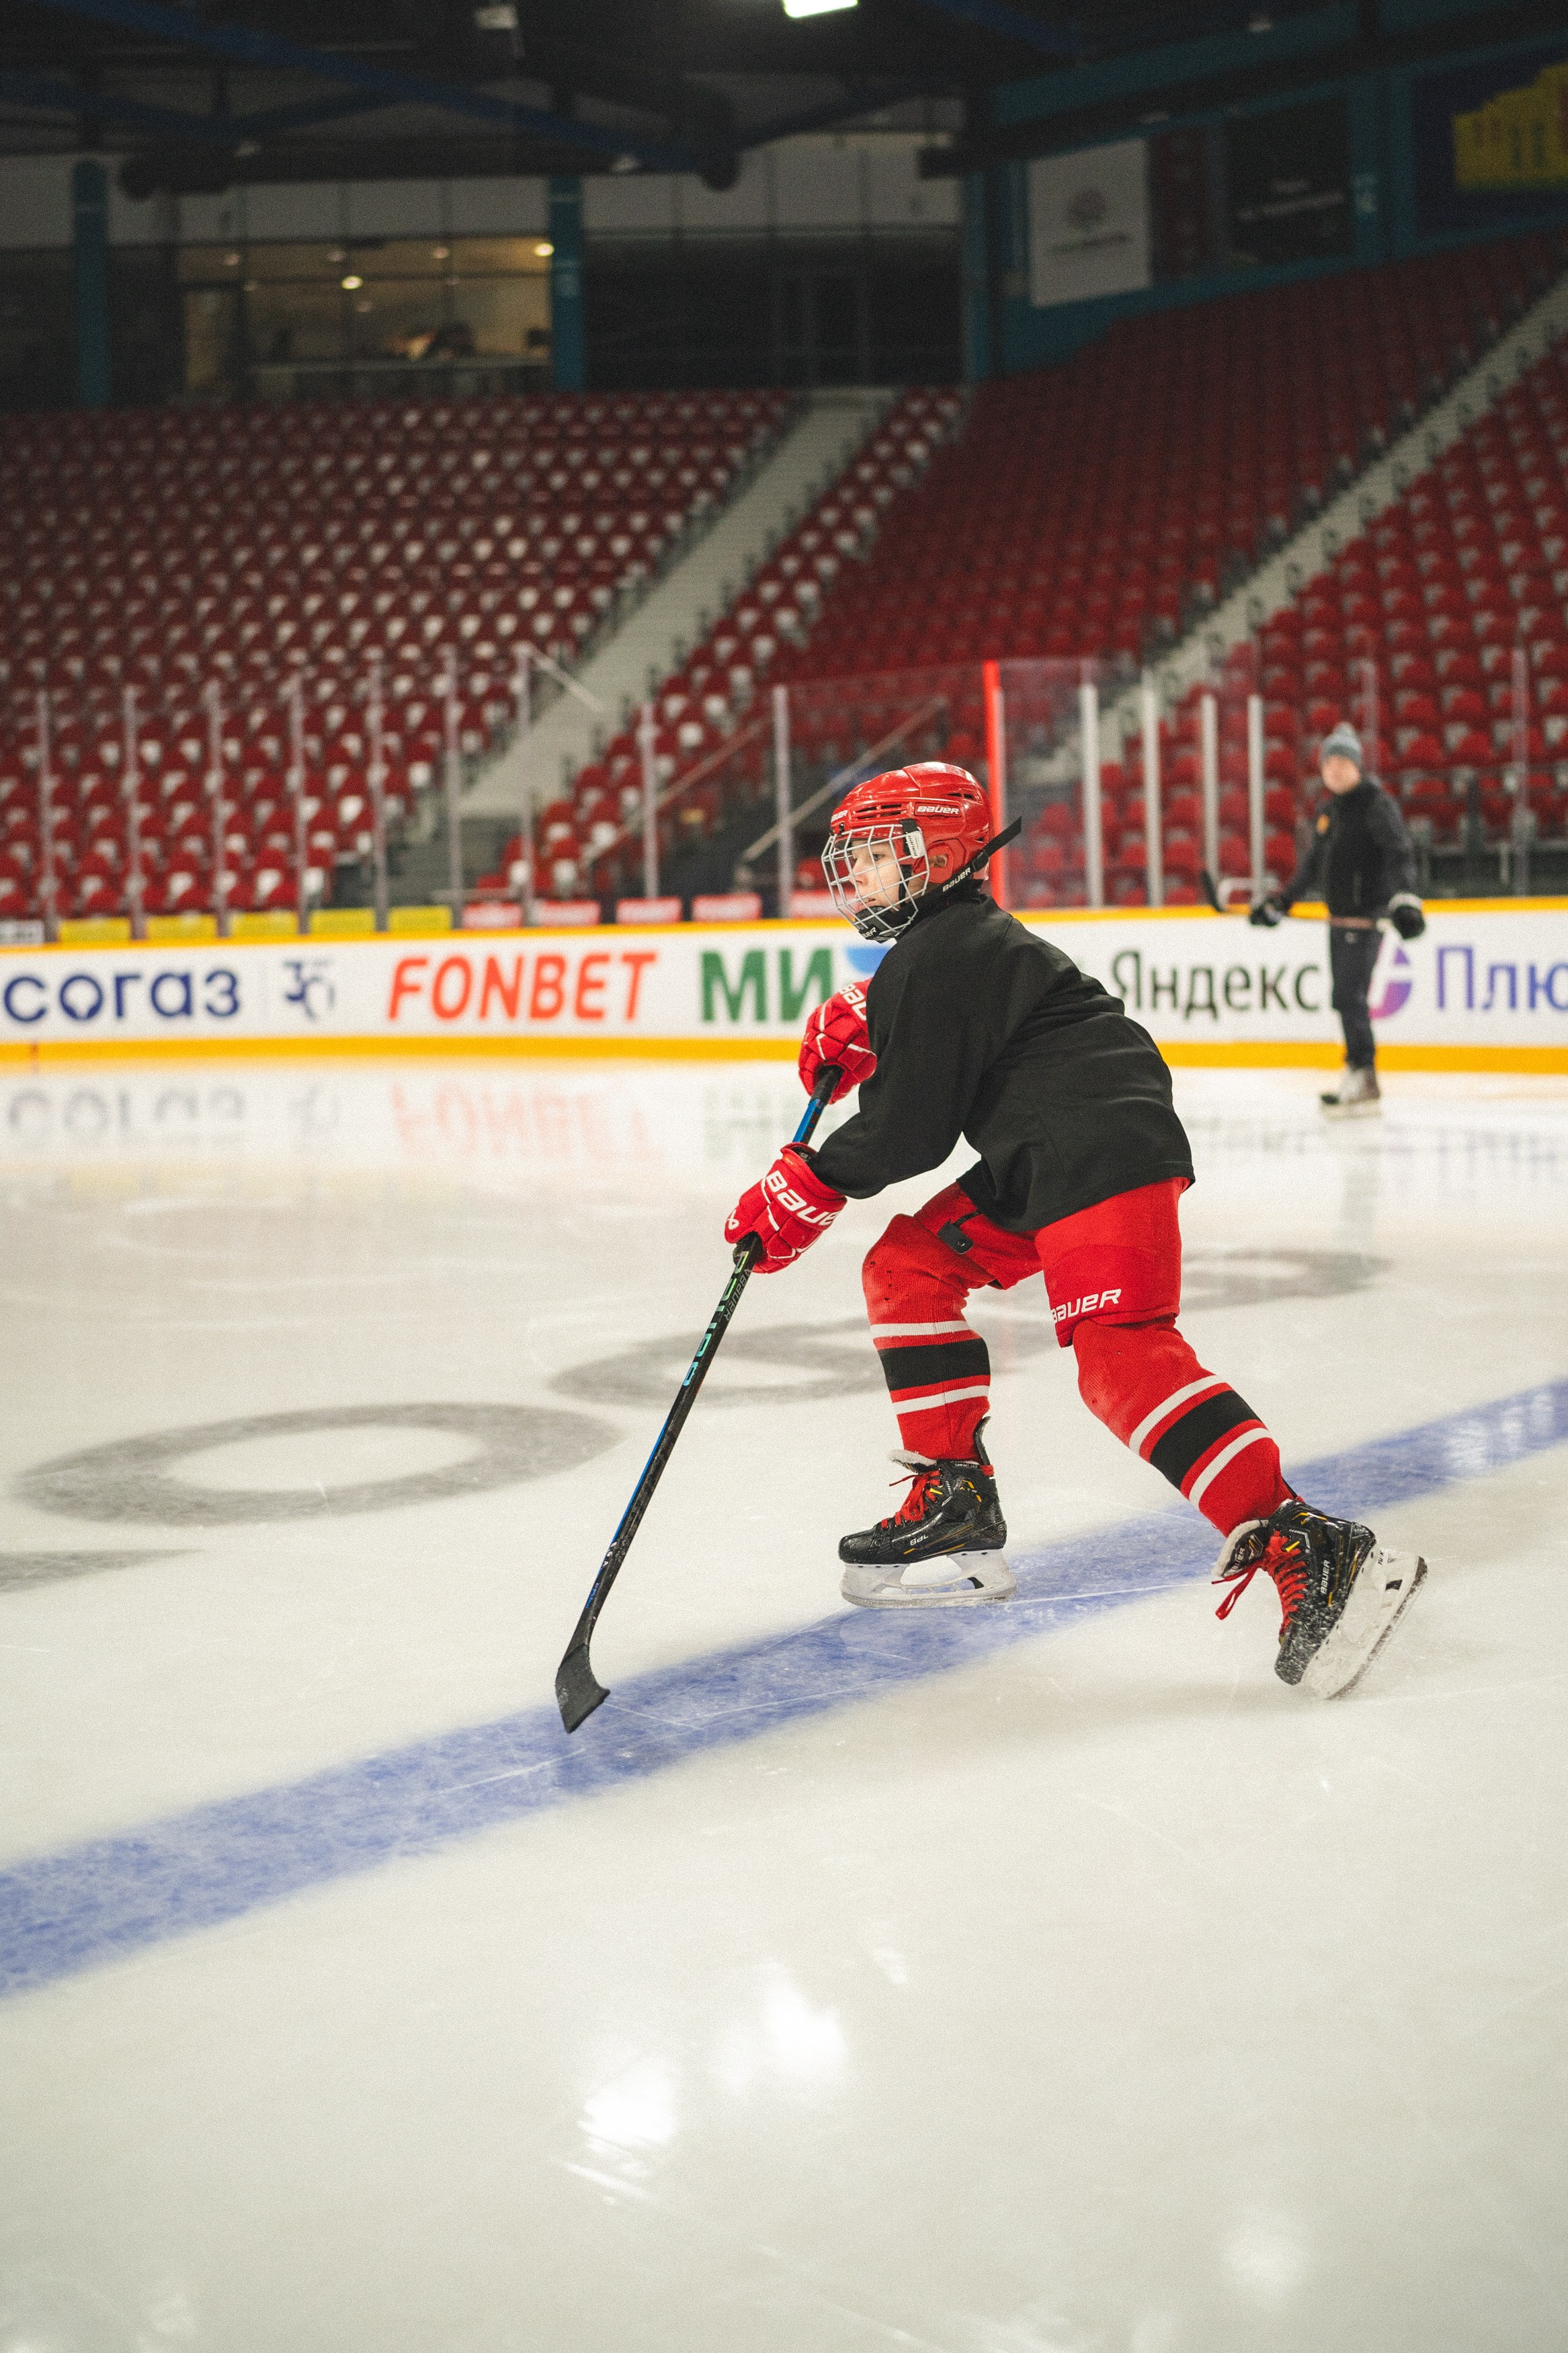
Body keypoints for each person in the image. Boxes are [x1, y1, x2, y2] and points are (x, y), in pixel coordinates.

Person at [723, 762, 1425, 1698]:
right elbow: (948, 1046)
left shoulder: (940, 951)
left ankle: (1306, 1540)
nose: (858, 874)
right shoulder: (946, 944)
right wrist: (878, 1025)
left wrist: (803, 1184)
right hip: (1045, 1150)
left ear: (939, 853)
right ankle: (954, 1494)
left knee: (1118, 1356)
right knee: (907, 1268)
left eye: (879, 853)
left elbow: (906, 1132)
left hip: (1096, 1142)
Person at [1250, 721, 1425, 1118]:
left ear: (1357, 766)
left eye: (1342, 762)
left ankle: (1363, 1073)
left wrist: (1405, 899)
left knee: (1349, 996)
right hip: (1339, 920)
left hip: (1363, 919)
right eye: (1328, 763)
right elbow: (1312, 866)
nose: (1334, 769)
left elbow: (1398, 852)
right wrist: (1282, 903)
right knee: (1344, 997)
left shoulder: (1375, 804)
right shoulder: (1328, 811)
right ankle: (1359, 1072)